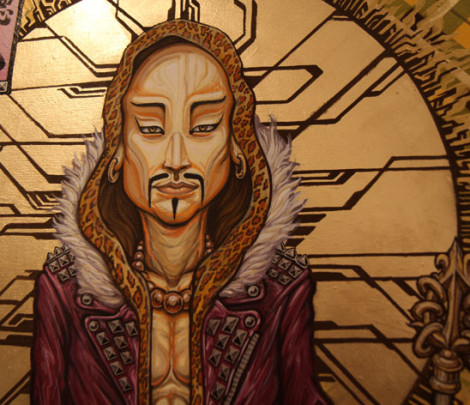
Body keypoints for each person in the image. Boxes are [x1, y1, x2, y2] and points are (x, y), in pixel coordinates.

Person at [31, 19, 328, 405]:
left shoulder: (281, 288)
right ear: (116, 150)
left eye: (203, 127)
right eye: (151, 128)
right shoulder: (65, 289)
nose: (175, 160)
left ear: (238, 147)